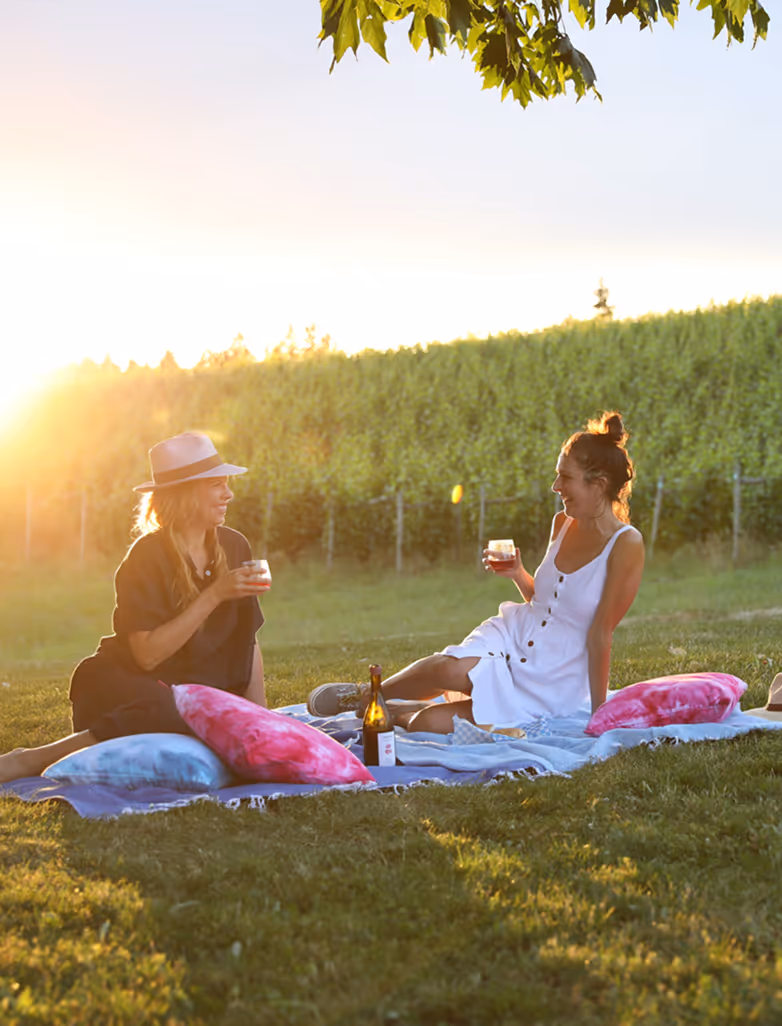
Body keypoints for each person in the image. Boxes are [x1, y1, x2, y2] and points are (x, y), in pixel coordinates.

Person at [308, 411, 645, 734]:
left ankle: (398, 712)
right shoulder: (562, 523)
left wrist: (601, 713)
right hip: (513, 635)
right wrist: (517, 572)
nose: (556, 486)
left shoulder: (625, 544)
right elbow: (545, 603)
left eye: (565, 477)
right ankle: (365, 694)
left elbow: (600, 633)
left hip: (552, 678)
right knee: (447, 669)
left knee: (429, 725)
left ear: (598, 484)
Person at [0, 431, 269, 783]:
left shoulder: (234, 545)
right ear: (186, 492)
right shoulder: (147, 556)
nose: (229, 494)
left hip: (193, 689)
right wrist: (214, 594)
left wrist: (264, 721)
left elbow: (247, 638)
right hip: (124, 685)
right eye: (217, 485)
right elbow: (146, 657)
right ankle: (29, 760)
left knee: (204, 712)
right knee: (180, 710)